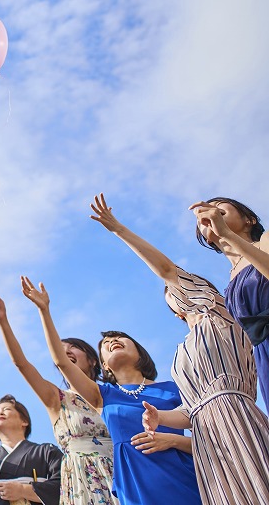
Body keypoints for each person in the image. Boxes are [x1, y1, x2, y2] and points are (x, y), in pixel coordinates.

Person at [91, 194, 269, 504]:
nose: (175, 290)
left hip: (235, 416)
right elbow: (189, 409)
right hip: (206, 438)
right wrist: (158, 416)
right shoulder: (181, 356)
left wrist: (119, 229)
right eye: (170, 294)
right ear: (174, 312)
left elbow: (165, 269)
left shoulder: (221, 313)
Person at [21, 278, 201, 505]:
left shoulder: (174, 388)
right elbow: (62, 362)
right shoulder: (103, 395)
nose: (112, 340)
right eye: (105, 343)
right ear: (104, 365)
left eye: (119, 337)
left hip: (184, 481)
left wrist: (173, 441)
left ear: (140, 351)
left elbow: (210, 440)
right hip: (135, 489)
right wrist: (44, 311)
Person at [0, 289, 116, 504]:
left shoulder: (114, 395)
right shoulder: (57, 398)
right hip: (83, 481)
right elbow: (22, 364)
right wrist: (3, 320)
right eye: (61, 350)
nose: (67, 352)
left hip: (122, 472)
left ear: (93, 360)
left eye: (74, 348)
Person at [190, 197, 269, 411]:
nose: (210, 210)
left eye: (219, 206)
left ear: (249, 220)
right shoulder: (229, 284)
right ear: (207, 240)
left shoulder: (265, 240)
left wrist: (226, 233)